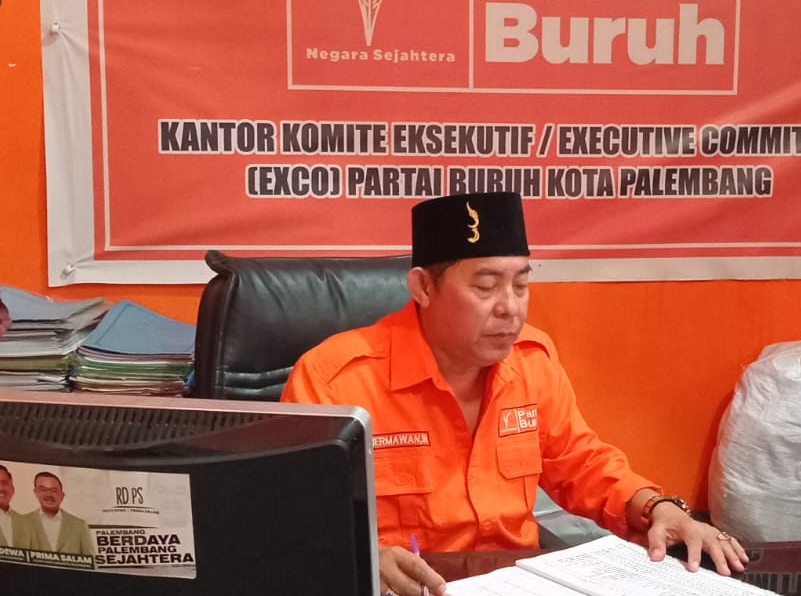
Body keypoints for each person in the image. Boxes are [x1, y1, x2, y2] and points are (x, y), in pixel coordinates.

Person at [283, 192, 747, 596]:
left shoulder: (531, 361)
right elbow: (294, 522)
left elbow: (582, 464)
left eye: (521, 284)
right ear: (423, 287)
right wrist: (366, 559)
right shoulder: (335, 381)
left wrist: (657, 507)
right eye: (486, 287)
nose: (510, 308)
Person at [16, 471, 96, 556]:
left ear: (62, 496)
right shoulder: (23, 523)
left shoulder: (80, 525)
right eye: (43, 489)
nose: (48, 494)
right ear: (36, 492)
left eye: (54, 490)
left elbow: (91, 561)